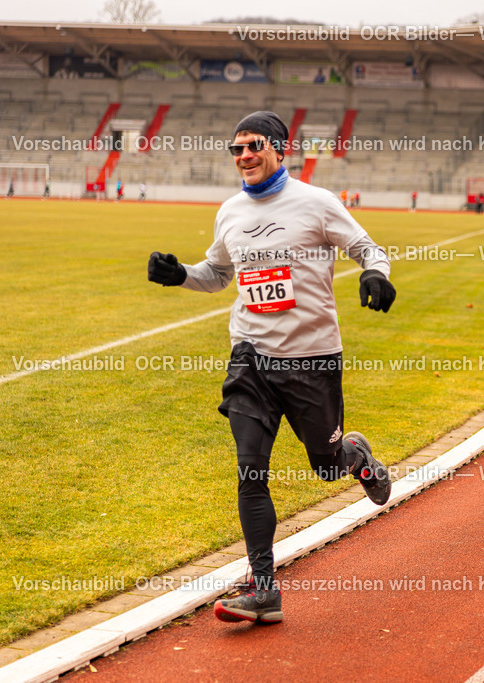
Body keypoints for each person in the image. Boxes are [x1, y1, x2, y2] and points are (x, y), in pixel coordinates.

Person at [147, 111, 396, 625]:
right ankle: (263, 590)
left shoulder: (317, 203)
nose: (243, 156)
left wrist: (374, 273)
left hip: (312, 361)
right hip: (251, 358)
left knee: (326, 466)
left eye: (253, 146)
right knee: (250, 470)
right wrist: (179, 276)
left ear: (280, 149)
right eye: (235, 149)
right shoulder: (230, 211)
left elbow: (367, 247)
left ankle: (355, 456)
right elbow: (216, 274)